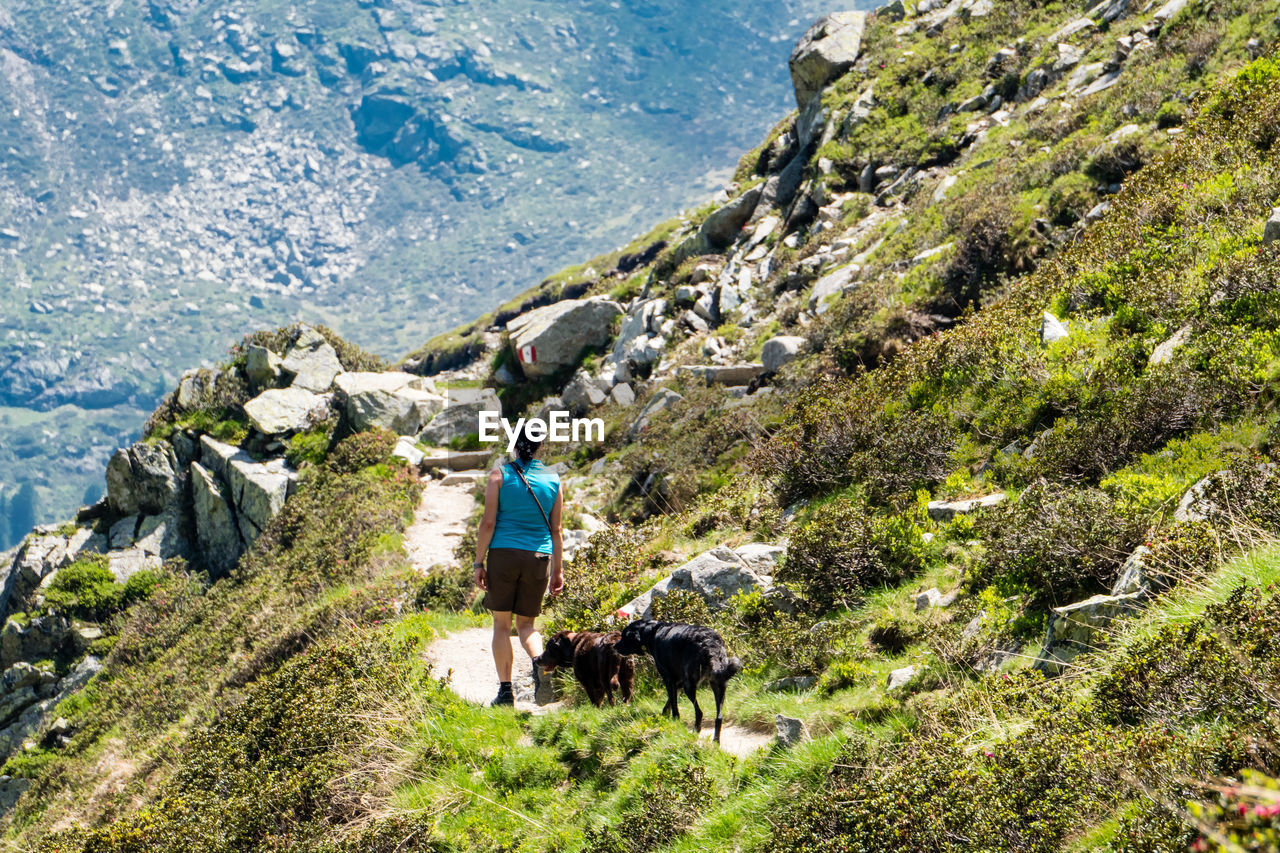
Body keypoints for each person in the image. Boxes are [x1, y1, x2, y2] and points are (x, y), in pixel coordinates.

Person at [473, 425, 564, 706]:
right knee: (527, 626)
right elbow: (557, 529)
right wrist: (557, 570)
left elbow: (488, 523)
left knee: (501, 625)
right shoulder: (553, 479)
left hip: (503, 555)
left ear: (514, 445)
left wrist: (478, 562)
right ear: (539, 447)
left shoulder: (499, 475)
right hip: (539, 557)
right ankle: (540, 663)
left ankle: (505, 692)